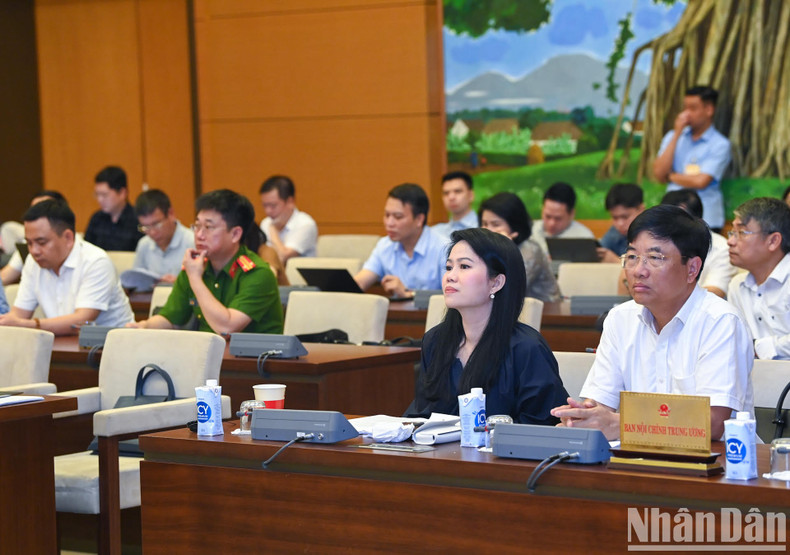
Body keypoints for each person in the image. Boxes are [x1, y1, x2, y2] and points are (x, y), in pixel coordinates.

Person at [551, 205, 753, 441]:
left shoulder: (721, 322)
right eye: (633, 257)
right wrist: (584, 419)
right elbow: (600, 405)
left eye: (655, 258)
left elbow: (713, 424)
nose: (638, 270)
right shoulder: (620, 319)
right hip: (634, 461)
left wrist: (622, 425)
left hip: (717, 467)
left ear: (692, 269)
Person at [406, 228, 568, 423]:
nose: (450, 276)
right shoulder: (436, 341)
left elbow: (542, 427)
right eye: (449, 267)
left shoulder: (527, 349)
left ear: (496, 283)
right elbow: (421, 415)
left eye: (464, 266)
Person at [129, 189, 283, 334]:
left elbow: (227, 327)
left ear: (235, 234)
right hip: (208, 357)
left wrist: (195, 278)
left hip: (255, 361)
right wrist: (144, 326)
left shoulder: (258, 273)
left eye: (209, 227)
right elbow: (170, 318)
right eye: (197, 226)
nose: (199, 235)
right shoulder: (196, 266)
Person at [0, 199, 134, 334]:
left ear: (68, 238)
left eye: (41, 242)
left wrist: (27, 325)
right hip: (60, 347)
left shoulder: (96, 261)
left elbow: (82, 320)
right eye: (29, 243)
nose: (34, 250)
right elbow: (18, 315)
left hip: (112, 348)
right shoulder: (31, 261)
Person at [652, 85, 731, 231]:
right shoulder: (672, 136)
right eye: (685, 108)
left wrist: (670, 176)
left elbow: (701, 181)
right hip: (672, 216)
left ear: (709, 110)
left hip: (706, 219)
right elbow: (658, 173)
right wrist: (676, 134)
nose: (686, 114)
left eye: (693, 108)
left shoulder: (720, 144)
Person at [354, 183, 445, 298]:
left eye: (398, 217)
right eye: (387, 215)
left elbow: (452, 295)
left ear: (419, 219)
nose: (389, 223)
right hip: (397, 315)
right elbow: (360, 282)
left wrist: (410, 294)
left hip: (435, 316)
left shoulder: (444, 248)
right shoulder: (384, 245)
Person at [727, 197, 790, 360]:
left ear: (773, 241)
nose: (730, 241)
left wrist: (759, 347)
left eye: (741, 233)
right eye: (732, 233)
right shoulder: (737, 285)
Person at [478, 192, 560, 303]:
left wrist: (505, 251)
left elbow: (509, 289)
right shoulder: (486, 249)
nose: (488, 230)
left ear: (514, 225)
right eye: (484, 224)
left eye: (495, 224)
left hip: (546, 315)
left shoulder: (531, 251)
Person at [661, 188, 736, 298]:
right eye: (666, 220)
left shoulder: (721, 248)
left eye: (678, 221)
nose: (671, 227)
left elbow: (714, 293)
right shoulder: (657, 244)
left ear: (698, 221)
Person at [2, 190, 69, 286]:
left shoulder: (88, 257)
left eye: (44, 210)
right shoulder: (30, 252)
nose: (35, 251)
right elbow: (5, 276)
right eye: (34, 210)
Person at [131, 189, 195, 284]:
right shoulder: (144, 244)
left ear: (171, 214)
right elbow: (136, 281)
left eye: (156, 224)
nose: (152, 232)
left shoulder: (192, 242)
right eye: (145, 227)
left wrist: (180, 284)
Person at [259, 175, 317, 262]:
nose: (268, 211)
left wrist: (273, 230)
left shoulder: (305, 224)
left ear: (290, 202)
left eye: (273, 205)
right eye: (265, 205)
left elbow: (283, 257)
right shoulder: (265, 223)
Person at [84, 166, 144, 251]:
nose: (99, 200)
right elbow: (87, 251)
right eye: (97, 194)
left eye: (104, 195)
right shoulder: (96, 219)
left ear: (122, 193)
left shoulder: (138, 220)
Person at [531, 182, 594, 255]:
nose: (552, 223)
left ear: (572, 214)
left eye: (558, 219)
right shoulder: (531, 232)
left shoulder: (583, 239)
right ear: (542, 209)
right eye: (548, 216)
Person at [597, 183, 644, 263]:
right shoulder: (613, 233)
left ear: (641, 209)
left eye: (625, 217)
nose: (620, 224)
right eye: (615, 218)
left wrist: (617, 262)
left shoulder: (654, 235)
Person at [431, 171, 477, 243]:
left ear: (471, 195)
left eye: (457, 191)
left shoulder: (486, 227)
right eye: (446, 193)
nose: (451, 197)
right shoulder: (434, 233)